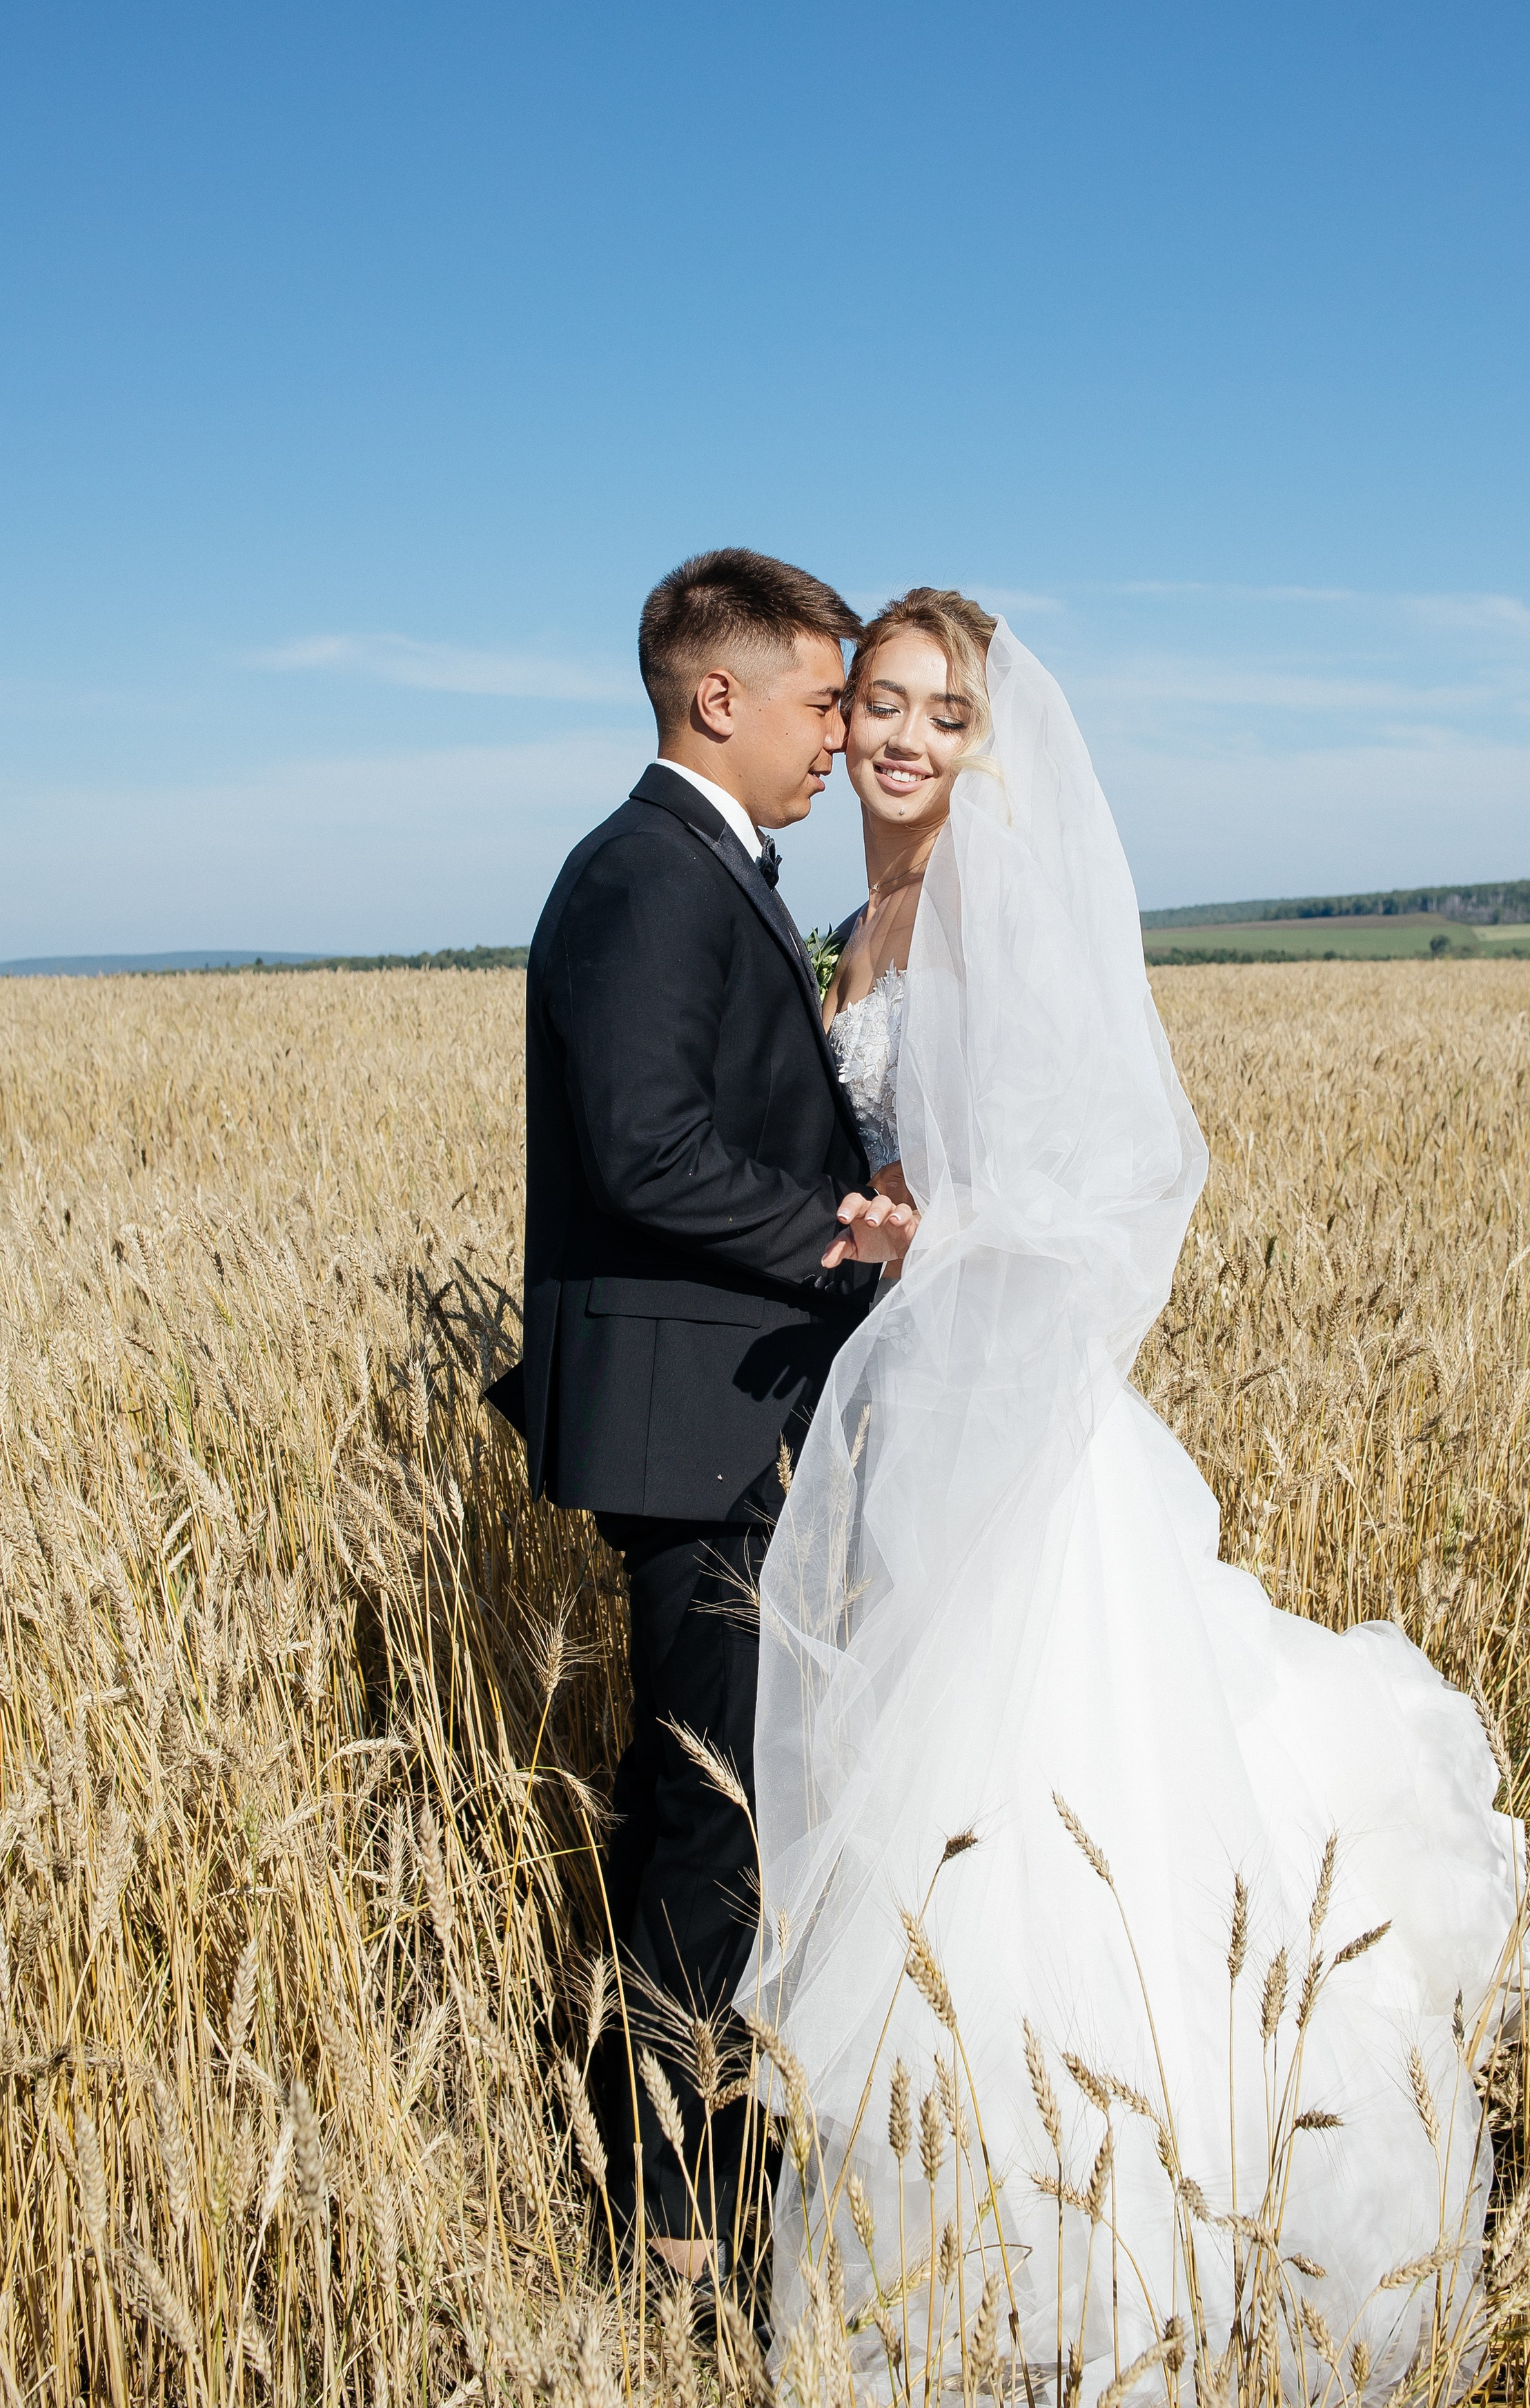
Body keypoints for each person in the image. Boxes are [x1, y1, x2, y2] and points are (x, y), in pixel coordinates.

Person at [748, 594, 1530, 2401]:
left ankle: (1109, 2258)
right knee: (928, 1792)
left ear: (986, 742)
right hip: (910, 1414)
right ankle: (957, 2243)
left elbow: (1113, 1176)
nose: (899, 737)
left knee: (1039, 1795)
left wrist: (938, 1253)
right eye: (876, 705)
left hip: (1016, 1428)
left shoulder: (994, 911)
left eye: (939, 714)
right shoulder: (851, 919)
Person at [489, 548, 919, 2284]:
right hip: (692, 1425)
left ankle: (686, 2158)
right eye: (822, 699)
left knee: (715, 1800)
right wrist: (846, 1237)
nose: (839, 734)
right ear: (714, 698)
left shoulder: (703, 864)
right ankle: (662, 2211)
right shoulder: (645, 876)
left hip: (721, 1416)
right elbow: (644, 1146)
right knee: (710, 1815)